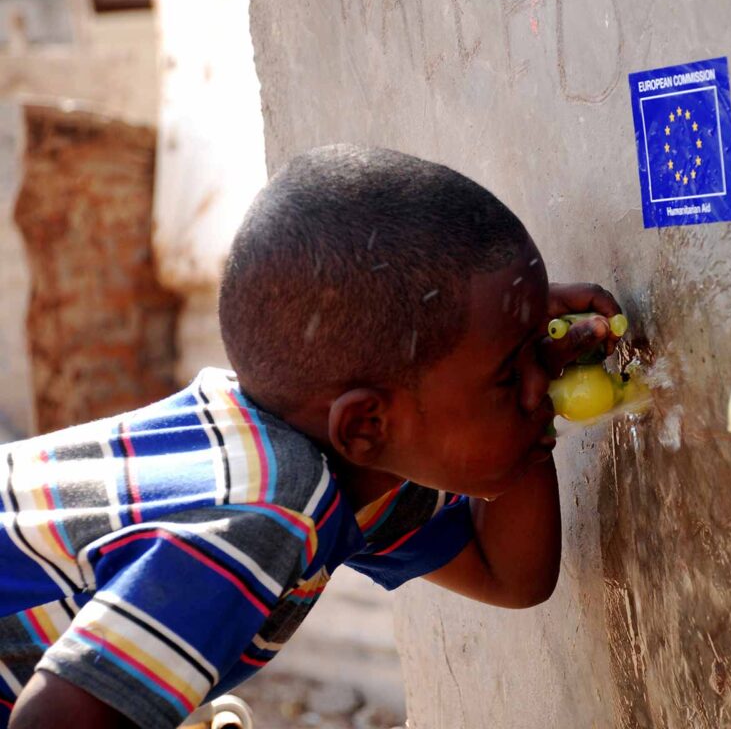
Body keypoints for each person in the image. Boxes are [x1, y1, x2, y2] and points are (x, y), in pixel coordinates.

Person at [0, 145, 623, 729]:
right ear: (365, 424)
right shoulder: (268, 512)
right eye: (508, 374)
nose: (540, 386)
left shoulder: (332, 469)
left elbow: (510, 576)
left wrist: (531, 380)